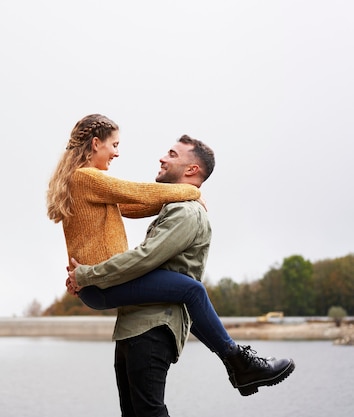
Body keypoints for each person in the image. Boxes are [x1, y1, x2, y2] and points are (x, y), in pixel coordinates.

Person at [47, 115, 294, 416]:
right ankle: (238, 361)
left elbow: (136, 204)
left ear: (192, 169)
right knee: (191, 290)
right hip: (103, 287)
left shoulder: (89, 181)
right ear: (95, 143)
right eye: (114, 145)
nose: (117, 152)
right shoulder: (88, 177)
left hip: (104, 290)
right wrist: (193, 192)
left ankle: (239, 362)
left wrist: (183, 196)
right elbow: (139, 195)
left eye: (172, 155)